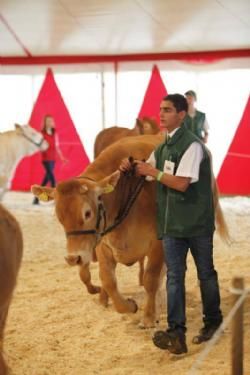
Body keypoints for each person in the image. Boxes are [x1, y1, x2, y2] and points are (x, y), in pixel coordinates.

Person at [120, 94, 222, 355]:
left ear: (181, 114)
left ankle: (213, 323)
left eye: (167, 110)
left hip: (196, 224)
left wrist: (151, 172)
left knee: (205, 274)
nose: (161, 115)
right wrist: (130, 167)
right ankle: (176, 332)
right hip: (171, 225)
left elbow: (181, 182)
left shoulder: (193, 145)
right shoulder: (163, 147)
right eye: (160, 109)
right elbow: (148, 170)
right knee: (174, 278)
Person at [33, 115, 67, 204]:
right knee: (52, 178)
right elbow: (39, 146)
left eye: (51, 121)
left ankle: (36, 198)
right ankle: (57, 199)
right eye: (48, 121)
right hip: (45, 159)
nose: (49, 122)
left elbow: (57, 147)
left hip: (53, 159)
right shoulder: (41, 133)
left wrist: (62, 158)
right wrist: (41, 148)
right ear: (45, 123)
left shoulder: (54, 133)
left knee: (46, 179)